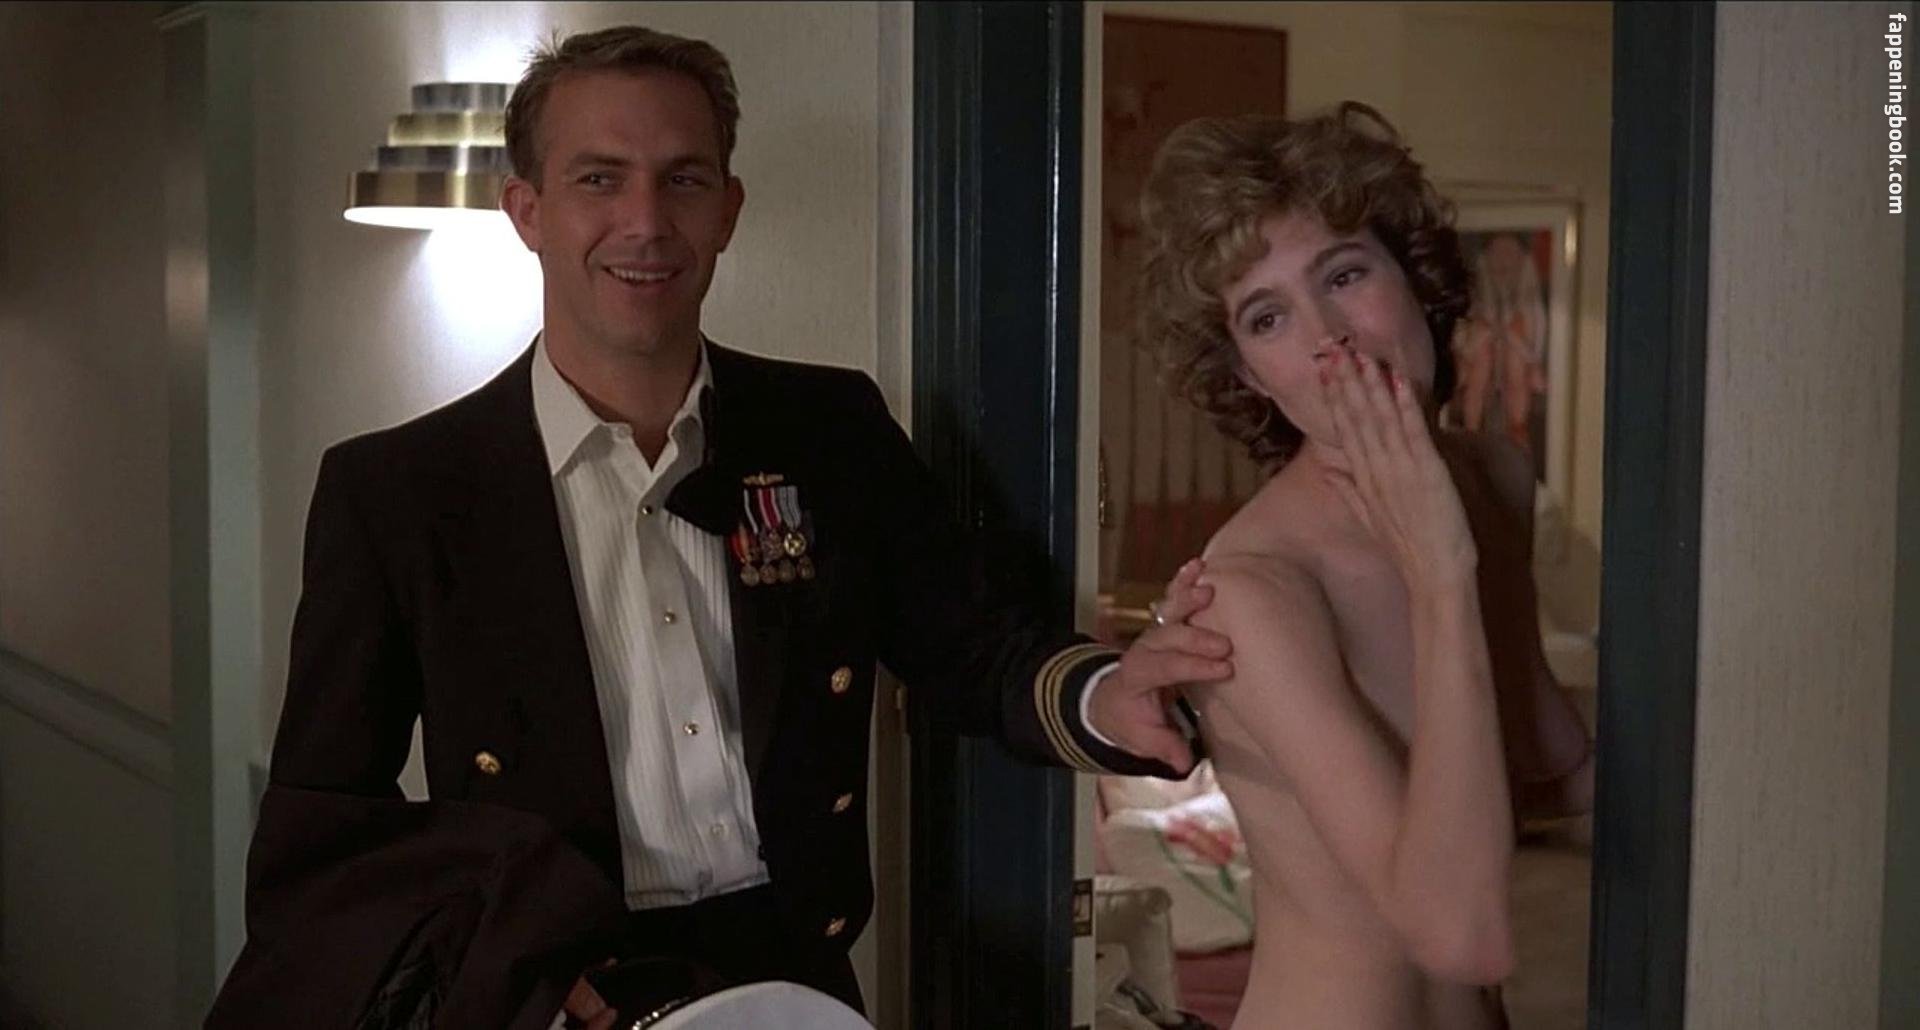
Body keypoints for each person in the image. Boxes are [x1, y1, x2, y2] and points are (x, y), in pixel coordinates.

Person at [209, 24, 1232, 1030]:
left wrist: (1107, 694)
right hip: (557, 990)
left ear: (729, 208)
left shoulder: (829, 427)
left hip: (796, 982)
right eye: (599, 179)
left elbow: (970, 646)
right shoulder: (399, 490)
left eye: (684, 179)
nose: (646, 222)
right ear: (526, 210)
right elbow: (327, 827)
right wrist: (501, 962)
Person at [1134, 104, 1594, 1030]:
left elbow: (1548, 756)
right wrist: (1440, 573)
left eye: (1344, 274)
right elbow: (1459, 933)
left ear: (1415, 277)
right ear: (1250, 375)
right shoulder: (1254, 589)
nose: (1327, 337)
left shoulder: (1491, 478)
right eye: (1268, 317)